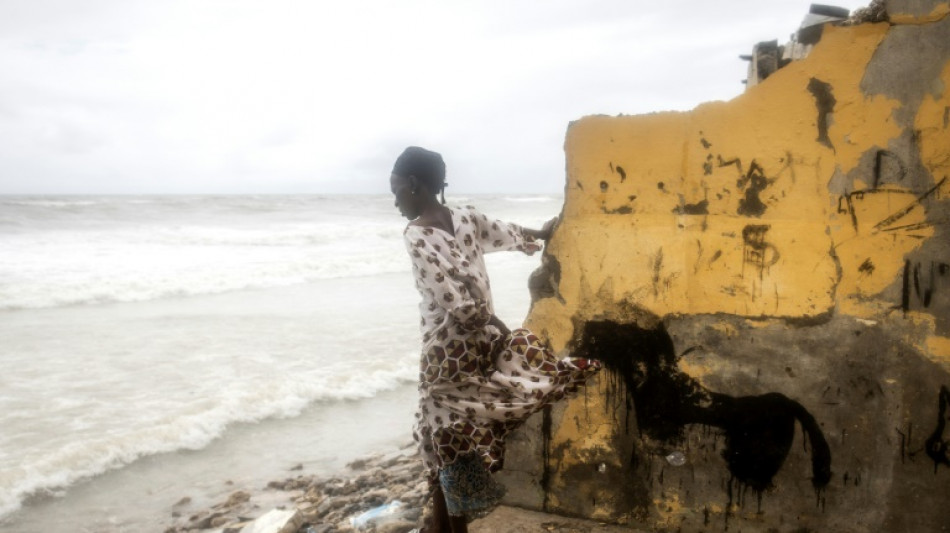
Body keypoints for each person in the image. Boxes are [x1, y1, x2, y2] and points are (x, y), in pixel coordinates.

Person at [390, 146, 601, 533]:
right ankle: (443, 524)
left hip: (447, 352)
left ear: (414, 184)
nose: (395, 201)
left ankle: (452, 527)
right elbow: (505, 232)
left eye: (396, 189)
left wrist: (491, 321)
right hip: (483, 344)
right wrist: (540, 233)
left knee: (440, 439)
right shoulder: (466, 217)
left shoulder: (416, 233)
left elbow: (455, 301)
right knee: (451, 435)